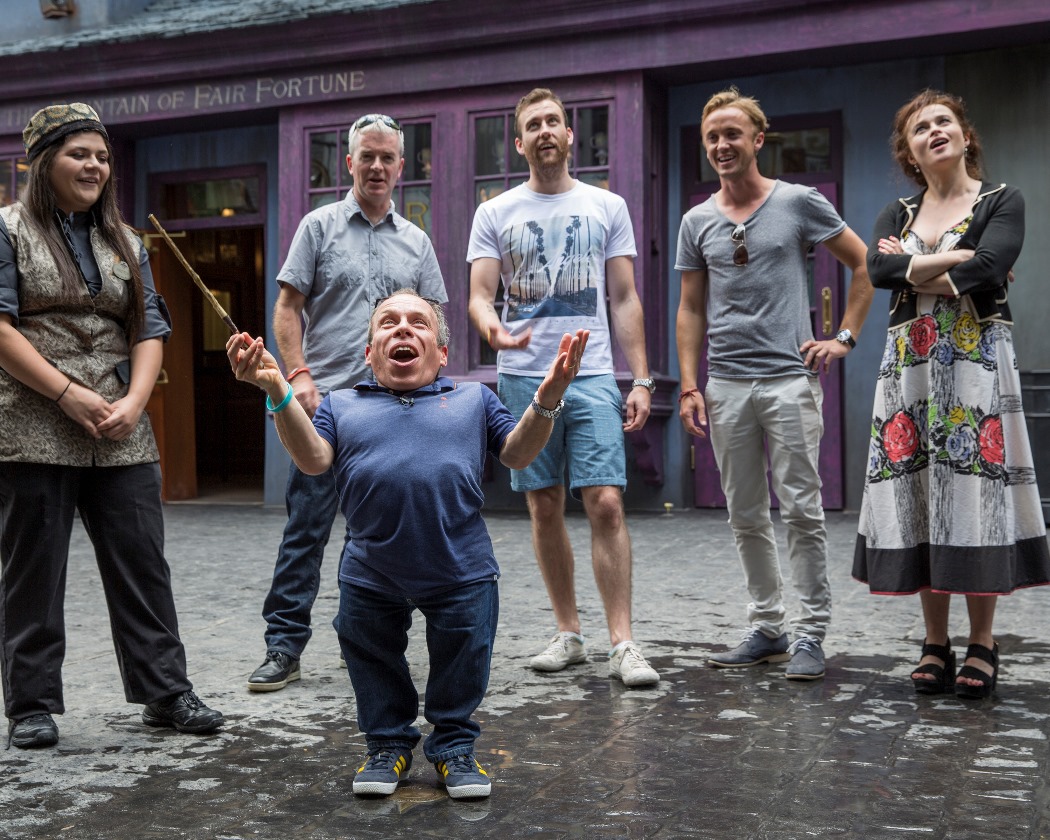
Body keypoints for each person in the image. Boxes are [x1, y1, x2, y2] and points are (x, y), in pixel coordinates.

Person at [227, 290, 588, 798]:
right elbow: (312, 460)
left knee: (463, 658)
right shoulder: (341, 404)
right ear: (369, 352)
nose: (402, 329)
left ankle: (454, 747)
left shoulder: (472, 399)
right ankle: (387, 745)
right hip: (371, 572)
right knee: (372, 659)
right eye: (387, 323)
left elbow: (518, 455)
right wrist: (274, 388)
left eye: (418, 323)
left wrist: (547, 398)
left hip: (461, 568)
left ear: (441, 354)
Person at [0, 103, 223, 749]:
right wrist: (66, 393)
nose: (95, 165)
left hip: (121, 426)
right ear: (43, 163)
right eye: (79, 154)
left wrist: (135, 401)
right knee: (32, 570)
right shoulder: (8, 229)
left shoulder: (126, 239)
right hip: (32, 422)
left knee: (142, 563)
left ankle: (165, 691)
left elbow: (148, 328)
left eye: (101, 156)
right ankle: (31, 704)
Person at [852, 90, 1050, 698]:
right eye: (920, 128)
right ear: (909, 152)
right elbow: (876, 271)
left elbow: (992, 266)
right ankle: (934, 641)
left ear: (965, 136)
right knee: (918, 491)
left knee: (975, 492)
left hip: (975, 364)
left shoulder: (1001, 200)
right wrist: (950, 258)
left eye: (944, 122)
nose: (933, 132)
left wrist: (918, 265)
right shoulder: (896, 211)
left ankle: (983, 642)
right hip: (907, 369)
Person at [675, 87, 873, 681]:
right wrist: (690, 385)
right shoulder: (696, 221)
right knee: (745, 514)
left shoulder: (797, 203)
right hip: (726, 385)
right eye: (712, 137)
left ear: (758, 140)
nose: (721, 145)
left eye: (732, 134)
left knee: (803, 512)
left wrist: (844, 337)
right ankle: (768, 627)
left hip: (788, 380)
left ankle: (811, 632)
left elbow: (863, 264)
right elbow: (689, 309)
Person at [467, 87, 659, 687]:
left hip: (595, 371)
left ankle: (622, 642)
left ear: (570, 135)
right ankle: (569, 632)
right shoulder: (494, 212)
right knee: (543, 502)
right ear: (519, 142)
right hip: (525, 376)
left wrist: (642, 378)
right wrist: (490, 326)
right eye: (534, 124)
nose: (546, 130)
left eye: (555, 121)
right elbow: (478, 294)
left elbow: (623, 298)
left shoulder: (607, 205)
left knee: (604, 500)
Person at [248, 112, 447, 692]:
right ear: (350, 163)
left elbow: (438, 322)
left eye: (388, 158)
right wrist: (299, 375)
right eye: (369, 157)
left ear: (401, 167)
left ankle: (360, 640)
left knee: (375, 535)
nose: (378, 167)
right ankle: (283, 645)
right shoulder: (318, 227)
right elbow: (287, 309)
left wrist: (434, 385)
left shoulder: (417, 241)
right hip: (328, 406)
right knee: (307, 527)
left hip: (393, 411)